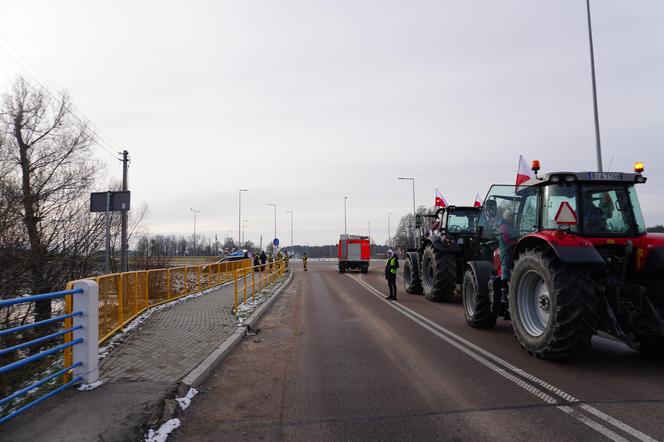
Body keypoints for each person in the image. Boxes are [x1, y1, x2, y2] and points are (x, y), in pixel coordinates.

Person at [497, 209, 516, 306]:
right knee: (505, 269)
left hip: (511, 249)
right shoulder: (503, 226)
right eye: (510, 217)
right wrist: (515, 241)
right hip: (506, 250)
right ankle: (504, 292)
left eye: (512, 216)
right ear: (506, 217)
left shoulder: (510, 225)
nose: (512, 218)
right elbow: (507, 239)